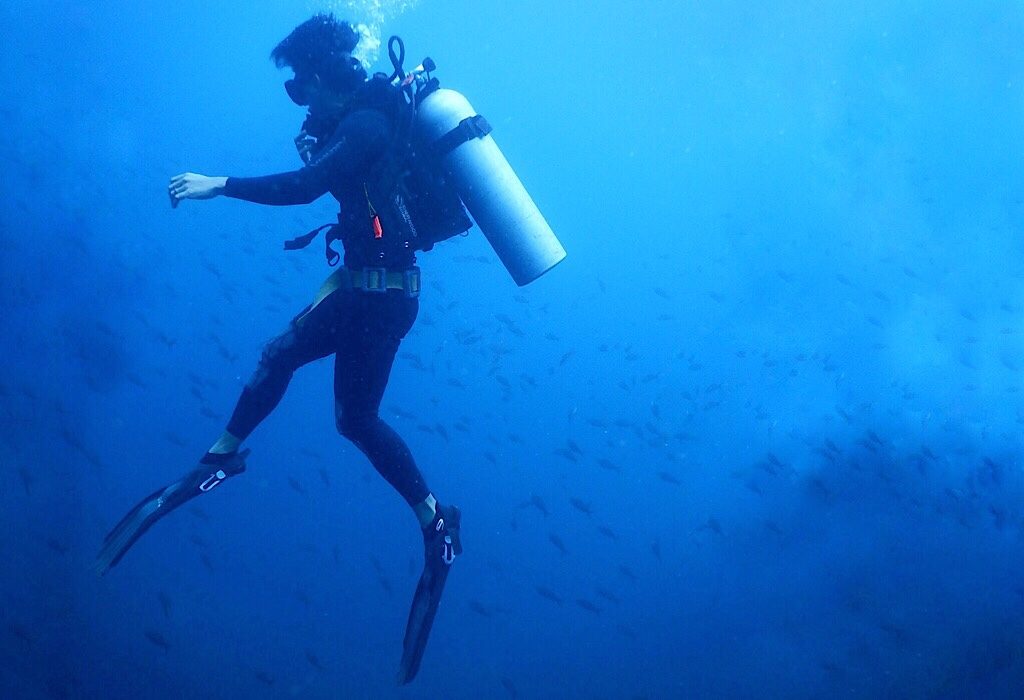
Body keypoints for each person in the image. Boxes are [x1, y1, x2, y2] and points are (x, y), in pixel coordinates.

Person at [96, 14, 463, 685]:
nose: (297, 97)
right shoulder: (353, 123)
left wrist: (221, 184)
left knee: (355, 419)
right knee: (282, 359)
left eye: (299, 85)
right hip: (362, 288)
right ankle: (218, 460)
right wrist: (316, 145)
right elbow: (344, 189)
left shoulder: (367, 124)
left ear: (322, 75)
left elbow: (304, 189)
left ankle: (438, 526)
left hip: (381, 299)